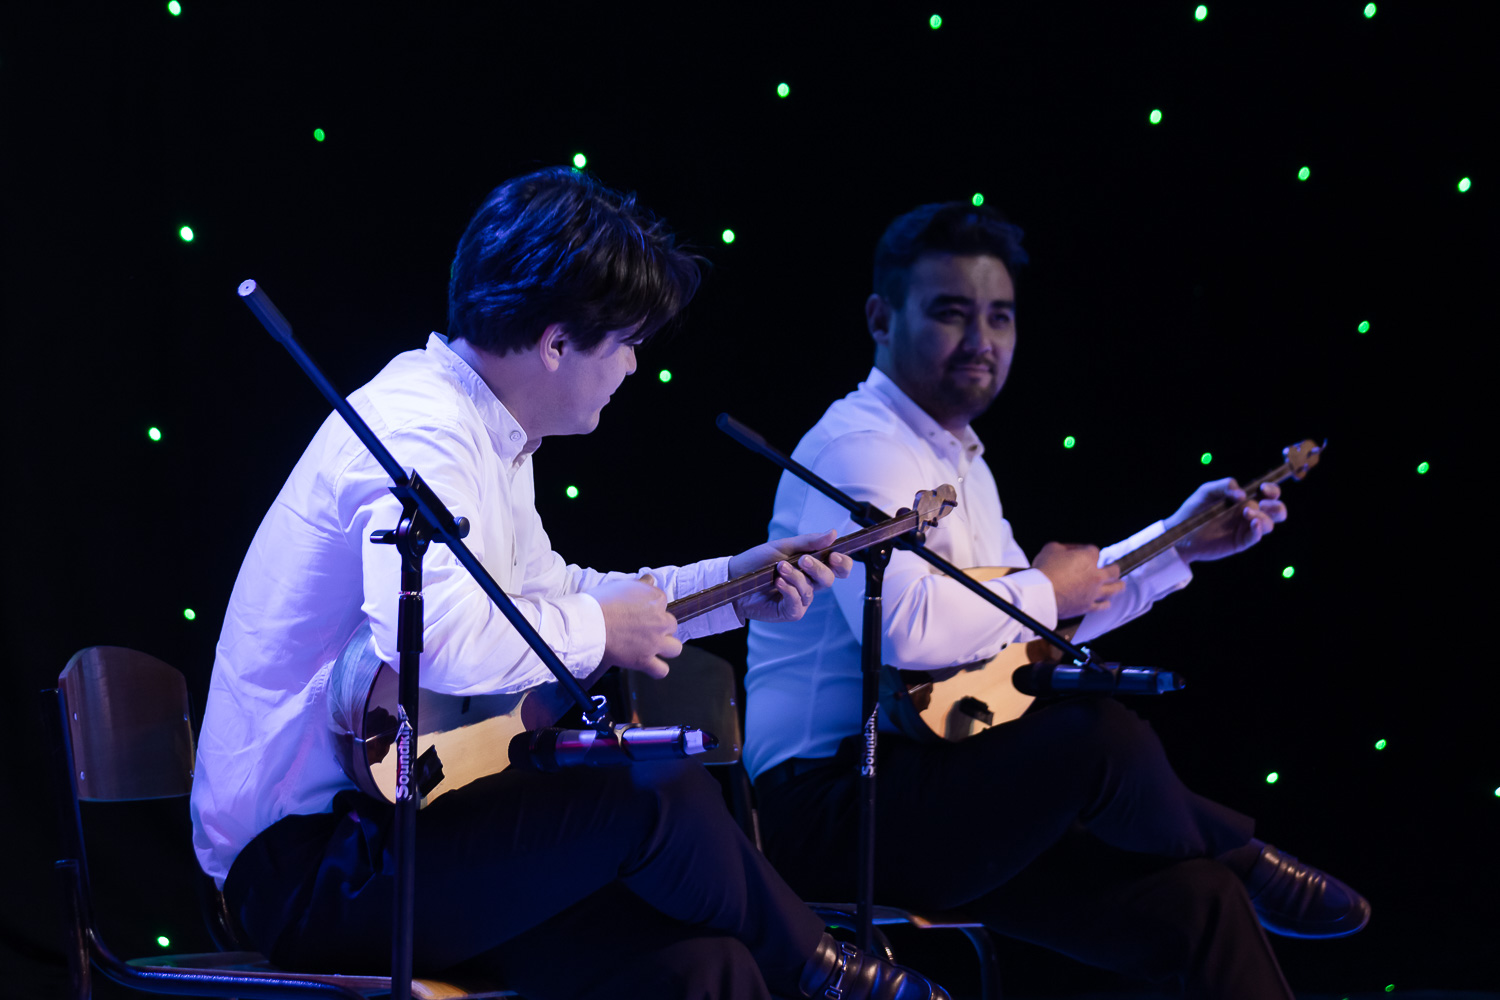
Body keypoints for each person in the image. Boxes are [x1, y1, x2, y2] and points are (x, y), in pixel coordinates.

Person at [190, 168, 951, 1000]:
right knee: (650, 790)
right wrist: (602, 628)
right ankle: (832, 975)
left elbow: (554, 598)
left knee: (704, 967)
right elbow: (439, 638)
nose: (632, 367)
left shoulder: (491, 433)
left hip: (398, 831)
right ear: (556, 344)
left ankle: (814, 973)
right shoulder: (421, 427)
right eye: (625, 342)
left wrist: (736, 587)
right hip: (309, 867)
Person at [744, 201, 1370, 999]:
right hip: (831, 810)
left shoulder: (962, 462)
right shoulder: (860, 446)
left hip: (934, 780)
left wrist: (1178, 543)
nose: (982, 340)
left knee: (1197, 903)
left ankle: (1230, 866)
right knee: (1095, 737)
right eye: (951, 313)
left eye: (999, 317)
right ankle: (1244, 855)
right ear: (880, 318)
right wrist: (1046, 587)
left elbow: (1023, 634)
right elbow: (908, 630)